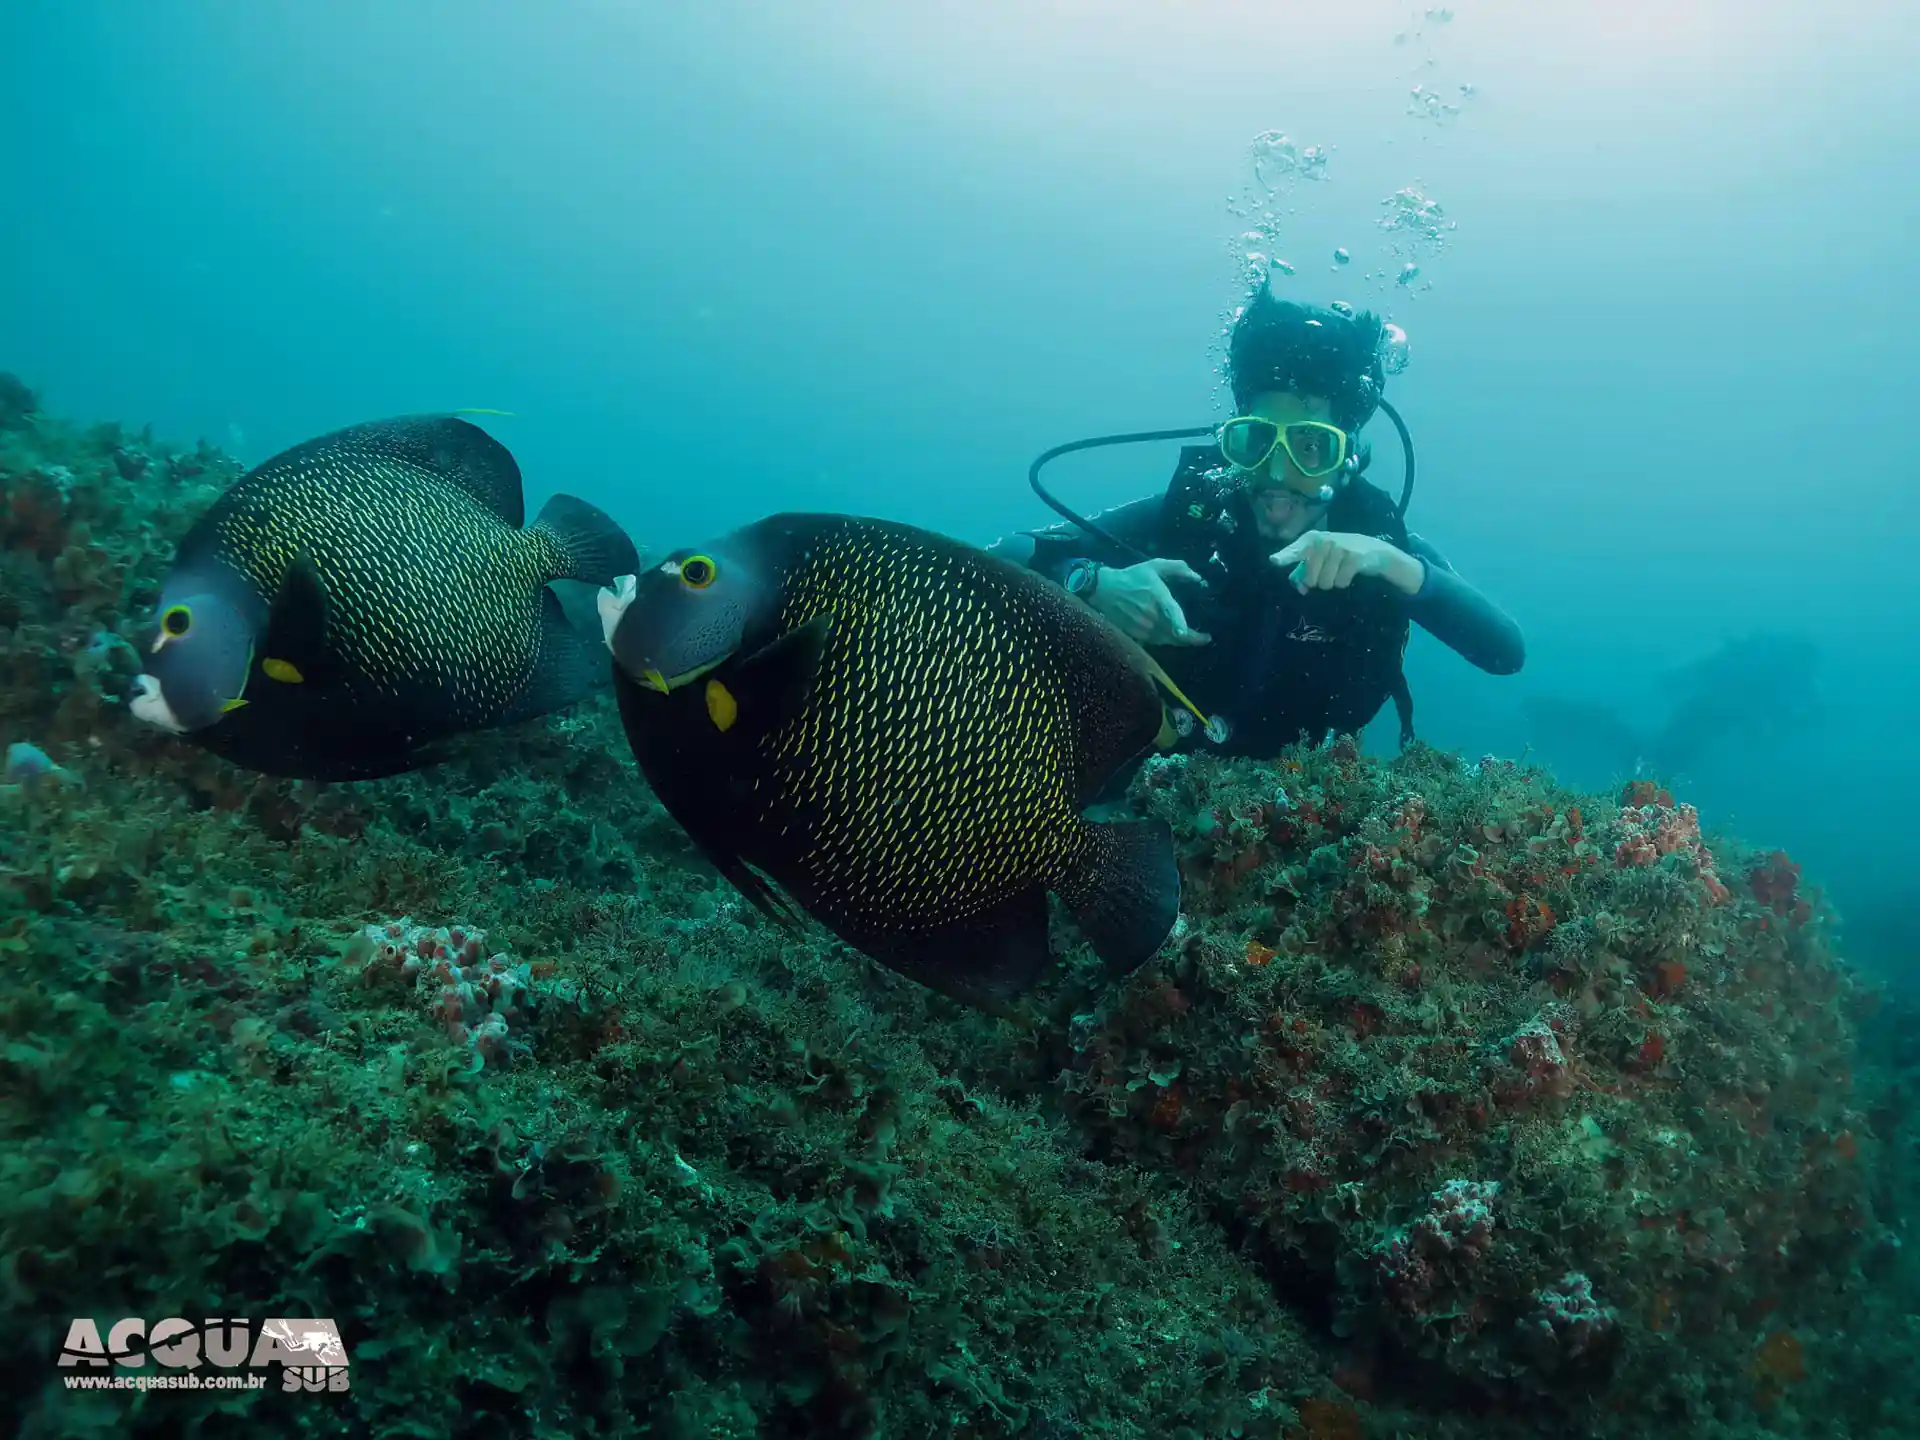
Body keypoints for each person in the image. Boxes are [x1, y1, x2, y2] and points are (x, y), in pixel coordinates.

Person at [990, 284, 1523, 756]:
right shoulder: (1196, 518)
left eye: (1312, 446)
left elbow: (1504, 651)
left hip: (1304, 811)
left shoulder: (1381, 548)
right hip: (1147, 787)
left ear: (1348, 458)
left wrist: (1394, 564)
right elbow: (1007, 554)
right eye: (1257, 440)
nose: (1277, 474)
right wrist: (1089, 582)